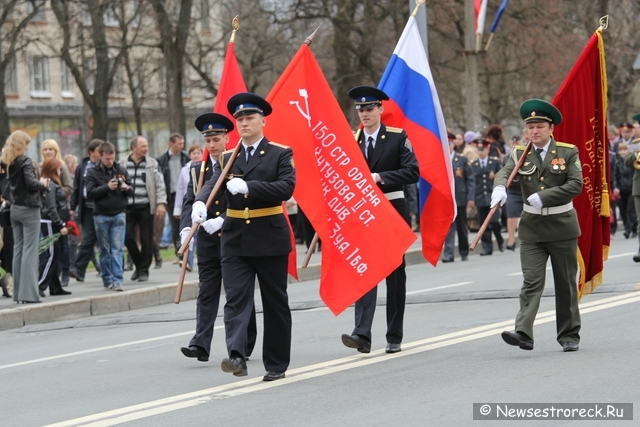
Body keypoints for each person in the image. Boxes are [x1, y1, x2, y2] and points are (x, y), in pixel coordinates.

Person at [192, 93, 295, 381]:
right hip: (235, 238)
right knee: (236, 299)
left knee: (275, 302)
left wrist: (249, 187)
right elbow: (213, 184)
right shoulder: (227, 156)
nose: (244, 122)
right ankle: (237, 355)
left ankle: (276, 363)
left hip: (269, 236)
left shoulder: (280, 152)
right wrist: (200, 202)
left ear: (263, 120)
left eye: (249, 117)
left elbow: (286, 187)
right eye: (239, 119)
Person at [492, 99, 582, 352]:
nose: (534, 132)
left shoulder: (567, 152)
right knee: (531, 281)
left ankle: (569, 334)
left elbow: (576, 184)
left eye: (539, 126)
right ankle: (524, 331)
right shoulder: (520, 153)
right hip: (532, 228)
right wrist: (499, 187)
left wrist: (546, 196)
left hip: (562, 226)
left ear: (551, 128)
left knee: (565, 283)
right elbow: (505, 172)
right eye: (530, 127)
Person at [340, 86, 419, 355]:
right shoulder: (352, 140)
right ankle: (361, 333)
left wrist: (380, 177)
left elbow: (412, 171)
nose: (365, 113)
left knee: (395, 275)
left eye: (370, 108)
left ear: (380, 109)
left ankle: (394, 334)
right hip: (362, 213)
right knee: (365, 271)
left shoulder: (397, 137)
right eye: (361, 109)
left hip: (391, 208)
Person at [179, 112, 258, 363]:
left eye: (216, 140)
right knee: (207, 291)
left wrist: (223, 218)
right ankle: (200, 343)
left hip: (233, 235)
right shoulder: (198, 169)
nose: (212, 145)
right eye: (208, 141)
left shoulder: (237, 162)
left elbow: (244, 199)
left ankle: (245, 342)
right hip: (207, 240)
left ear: (227, 138)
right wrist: (185, 230)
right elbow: (189, 201)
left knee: (237, 293)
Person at [1, 130, 49, 303]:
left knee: (18, 251)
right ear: (21, 144)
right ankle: (29, 294)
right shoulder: (25, 161)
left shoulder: (10, 162)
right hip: (29, 210)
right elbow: (31, 183)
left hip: (15, 210)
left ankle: (18, 293)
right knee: (30, 251)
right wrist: (42, 184)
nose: (28, 146)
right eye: (26, 143)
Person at [119, 136, 167, 282]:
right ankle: (139, 265)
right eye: (143, 146)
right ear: (134, 148)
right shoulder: (122, 163)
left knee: (146, 239)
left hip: (146, 205)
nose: (146, 149)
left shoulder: (152, 164)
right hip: (127, 206)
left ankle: (143, 271)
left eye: (146, 146)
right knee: (127, 237)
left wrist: (161, 203)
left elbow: (160, 184)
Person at [86, 141, 132, 291]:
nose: (110, 161)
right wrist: (107, 187)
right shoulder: (93, 172)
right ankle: (107, 278)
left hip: (119, 213)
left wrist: (126, 187)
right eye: (107, 159)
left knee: (117, 249)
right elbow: (90, 193)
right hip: (101, 215)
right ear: (101, 156)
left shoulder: (121, 170)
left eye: (112, 158)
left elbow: (132, 189)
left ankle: (118, 279)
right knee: (104, 250)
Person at [69, 139, 103, 282]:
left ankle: (81, 269)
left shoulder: (105, 165)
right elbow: (77, 189)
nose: (102, 154)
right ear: (91, 152)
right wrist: (73, 207)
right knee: (88, 239)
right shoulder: (82, 166)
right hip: (87, 209)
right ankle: (79, 270)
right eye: (99, 151)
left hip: (102, 208)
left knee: (101, 241)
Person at [38, 158, 72, 297]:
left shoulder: (51, 184)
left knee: (55, 255)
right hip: (50, 223)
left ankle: (55, 287)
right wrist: (60, 224)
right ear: (53, 169)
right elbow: (51, 208)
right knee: (51, 256)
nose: (60, 170)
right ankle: (40, 284)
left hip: (51, 222)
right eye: (58, 168)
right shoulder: (50, 185)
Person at [442, 135, 475, 262]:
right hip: (447, 199)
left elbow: (470, 180)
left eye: (449, 144)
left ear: (453, 145)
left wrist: (470, 198)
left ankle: (463, 251)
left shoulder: (462, 159)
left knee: (462, 226)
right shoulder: (441, 159)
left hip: (460, 197)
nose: (448, 146)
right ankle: (448, 254)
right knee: (449, 226)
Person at [156, 133, 189, 256]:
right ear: (171, 144)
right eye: (179, 143)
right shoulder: (161, 160)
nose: (182, 146)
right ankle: (178, 251)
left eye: (183, 143)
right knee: (174, 225)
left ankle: (186, 249)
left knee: (185, 223)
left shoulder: (186, 158)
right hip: (170, 196)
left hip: (185, 195)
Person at [470, 140, 504, 255]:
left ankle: (500, 240)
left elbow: (501, 176)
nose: (480, 152)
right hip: (480, 197)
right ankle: (487, 247)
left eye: (482, 150)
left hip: (492, 196)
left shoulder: (494, 162)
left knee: (494, 222)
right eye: (478, 150)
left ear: (487, 149)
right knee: (483, 224)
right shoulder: (474, 164)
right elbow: (473, 183)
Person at [173, 144, 204, 271]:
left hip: (203, 208)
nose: (196, 155)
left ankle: (192, 260)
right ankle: (188, 262)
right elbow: (181, 190)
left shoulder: (205, 166)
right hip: (190, 206)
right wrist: (178, 208)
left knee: (198, 236)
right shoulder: (185, 169)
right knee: (189, 235)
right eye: (193, 153)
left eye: (198, 153)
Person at [505, 133, 526, 250]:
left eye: (517, 143)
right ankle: (511, 239)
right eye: (512, 143)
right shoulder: (506, 158)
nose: (514, 145)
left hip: (525, 189)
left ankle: (527, 238)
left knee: (528, 215)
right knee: (511, 213)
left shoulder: (526, 156)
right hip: (512, 190)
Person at [624, 112, 640, 262]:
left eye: (637, 127)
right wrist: (636, 153)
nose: (635, 130)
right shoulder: (635, 143)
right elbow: (627, 161)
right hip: (638, 187)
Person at [612, 143, 637, 238]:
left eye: (625, 150)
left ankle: (628, 230)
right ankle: (633, 228)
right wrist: (615, 187)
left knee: (630, 210)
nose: (623, 152)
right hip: (621, 189)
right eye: (621, 150)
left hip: (631, 188)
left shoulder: (632, 161)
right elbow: (615, 176)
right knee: (623, 211)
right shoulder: (617, 162)